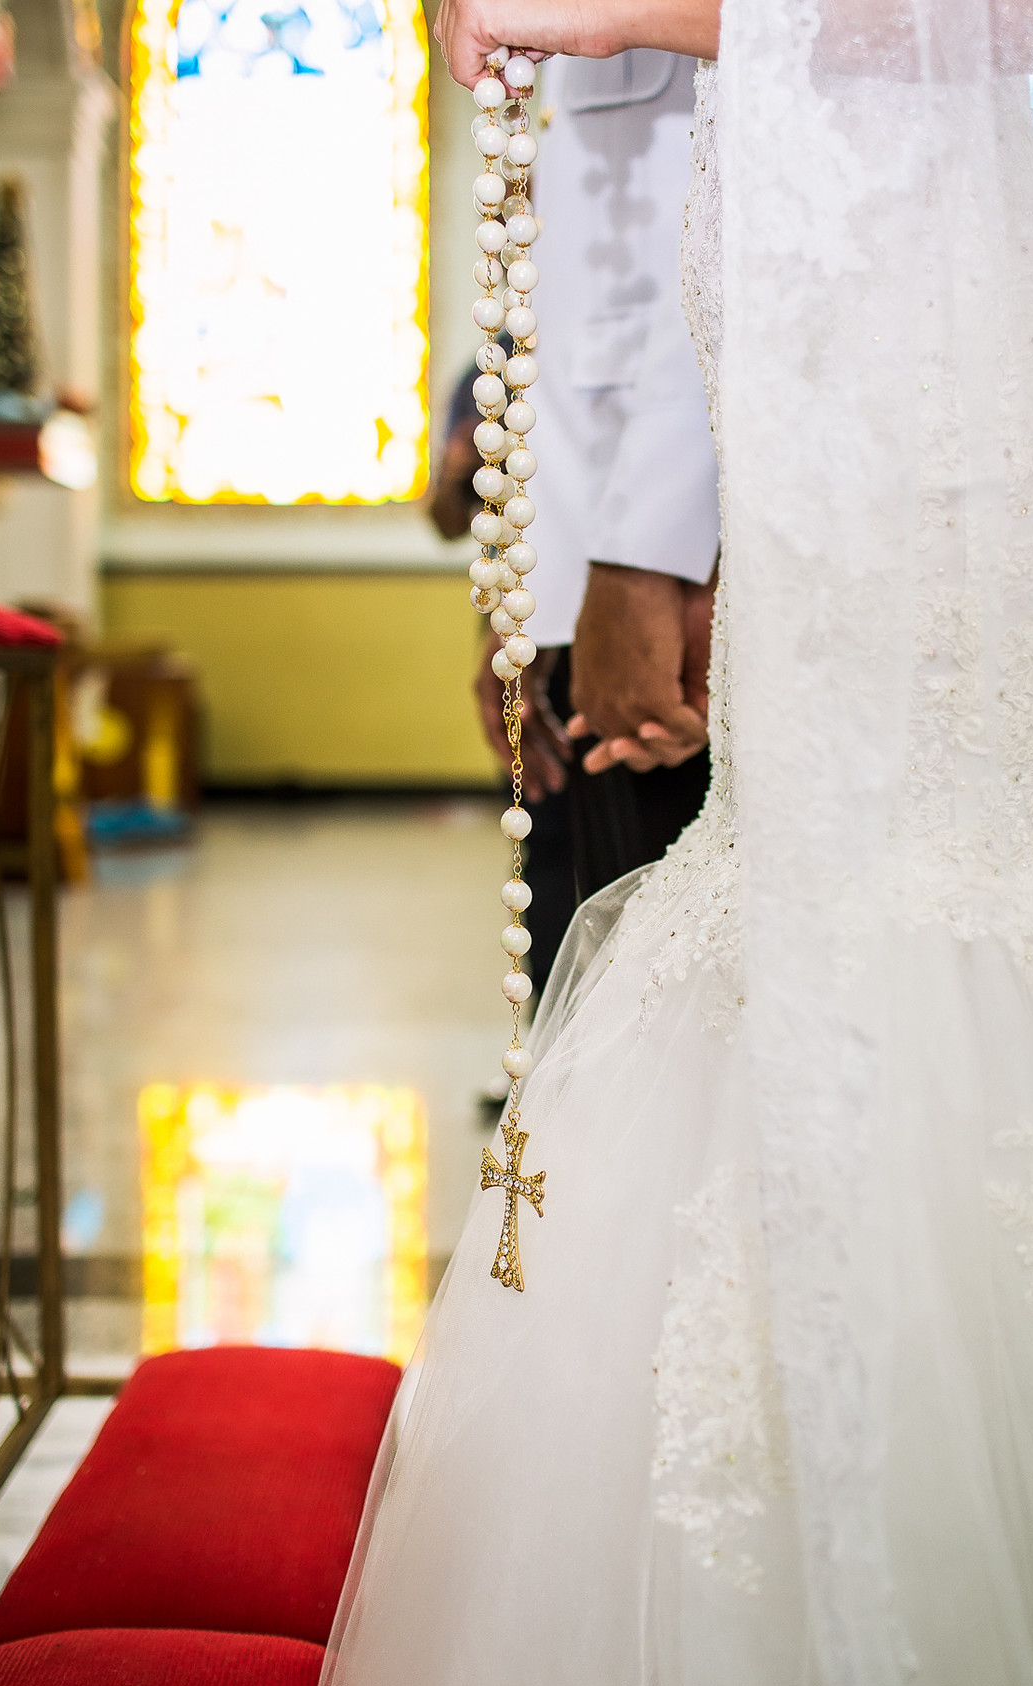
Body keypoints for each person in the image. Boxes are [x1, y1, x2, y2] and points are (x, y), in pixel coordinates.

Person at [300, 2, 1033, 1686]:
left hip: (875, 387)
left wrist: (633, 551)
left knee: (883, 936)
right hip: (846, 347)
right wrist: (549, 567)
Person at [430, 48, 720, 986]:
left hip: (679, 594)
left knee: (680, 977)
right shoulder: (552, 120)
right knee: (584, 937)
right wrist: (520, 615)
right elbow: (553, 381)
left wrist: (651, 562)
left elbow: (691, 307)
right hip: (568, 605)